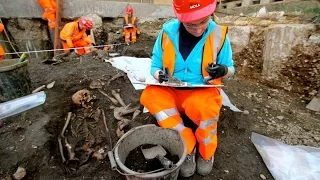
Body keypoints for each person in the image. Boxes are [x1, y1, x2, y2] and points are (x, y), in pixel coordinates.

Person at [140, 0, 235, 177]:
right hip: (172, 90)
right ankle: (187, 145)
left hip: (201, 92)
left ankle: (206, 154)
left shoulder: (219, 36)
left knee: (206, 110)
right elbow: (155, 65)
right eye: (191, 25)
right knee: (150, 95)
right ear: (179, 18)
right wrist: (158, 74)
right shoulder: (167, 33)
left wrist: (223, 70)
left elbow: (230, 68)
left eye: (203, 22)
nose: (198, 29)